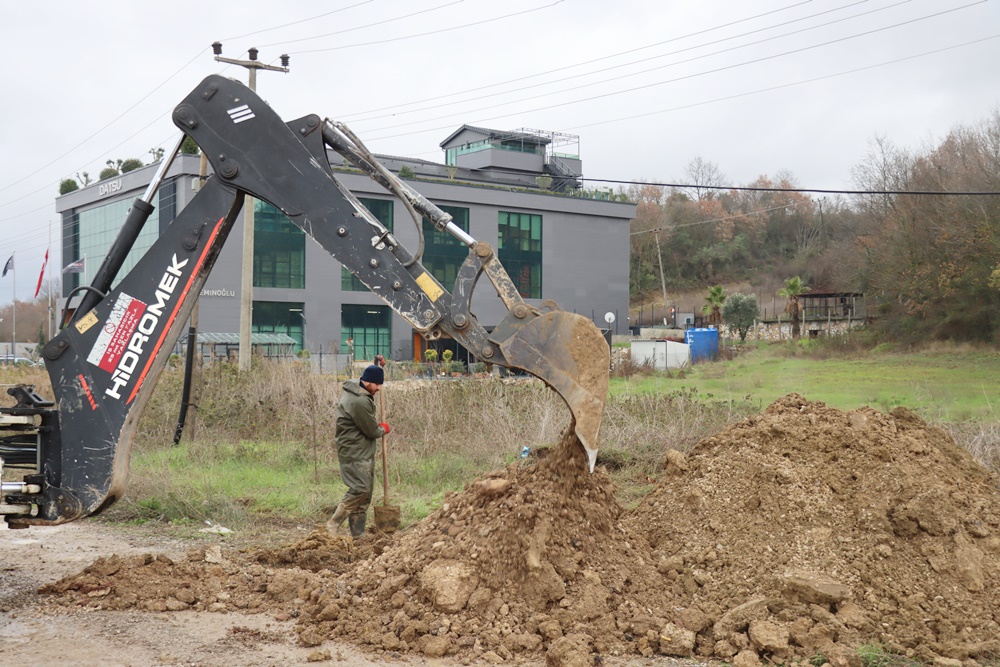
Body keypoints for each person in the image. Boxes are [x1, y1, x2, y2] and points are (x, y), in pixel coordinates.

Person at [327, 364, 390, 539]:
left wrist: (377, 364)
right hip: (354, 451)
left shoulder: (359, 386)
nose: (378, 388)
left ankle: (358, 534)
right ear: (367, 382)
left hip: (361, 449)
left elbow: (371, 374)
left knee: (365, 494)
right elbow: (371, 430)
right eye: (377, 385)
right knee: (360, 489)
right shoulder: (359, 401)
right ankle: (333, 523)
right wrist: (383, 429)